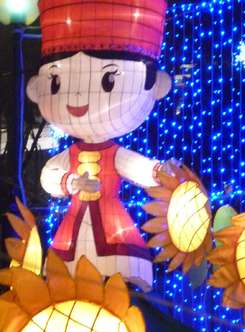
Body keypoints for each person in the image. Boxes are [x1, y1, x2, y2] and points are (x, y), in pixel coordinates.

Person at [28, 0, 179, 291]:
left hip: (112, 225)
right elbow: (48, 176)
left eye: (109, 80)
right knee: (65, 280)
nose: (78, 98)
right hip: (73, 225)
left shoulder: (114, 154)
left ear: (154, 86)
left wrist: (160, 172)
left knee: (116, 279)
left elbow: (137, 167)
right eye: (56, 82)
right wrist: (70, 182)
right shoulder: (70, 154)